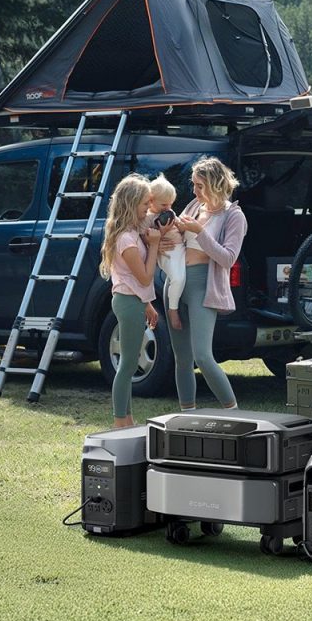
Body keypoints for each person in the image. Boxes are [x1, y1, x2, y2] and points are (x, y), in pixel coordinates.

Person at [168, 156, 246, 411]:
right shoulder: (193, 206)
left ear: (215, 184)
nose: (194, 191)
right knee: (181, 358)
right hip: (178, 285)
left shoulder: (234, 216)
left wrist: (200, 233)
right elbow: (178, 236)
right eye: (193, 185)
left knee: (202, 355)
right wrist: (171, 234)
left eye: (199, 186)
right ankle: (186, 413)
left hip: (204, 286)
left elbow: (227, 258)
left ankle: (233, 411)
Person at [99, 173, 164, 428]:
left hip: (132, 301)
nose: (147, 210)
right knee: (127, 365)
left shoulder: (130, 232)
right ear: (130, 204)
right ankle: (119, 421)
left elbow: (134, 282)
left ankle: (127, 420)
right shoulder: (127, 239)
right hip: (127, 303)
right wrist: (156, 245)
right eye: (143, 205)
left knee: (128, 361)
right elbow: (146, 277)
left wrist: (147, 304)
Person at [146, 174, 193, 331]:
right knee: (178, 279)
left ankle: (184, 306)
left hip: (181, 249)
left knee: (186, 278)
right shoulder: (148, 218)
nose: (168, 208)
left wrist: (181, 225)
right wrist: (161, 232)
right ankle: (173, 310)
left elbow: (179, 224)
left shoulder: (169, 211)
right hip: (167, 253)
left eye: (171, 204)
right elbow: (145, 238)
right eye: (163, 205)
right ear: (150, 201)